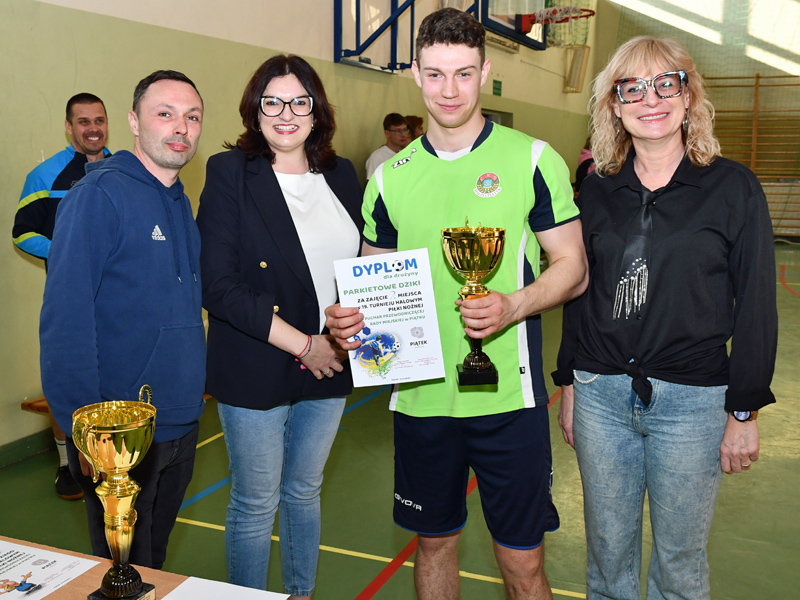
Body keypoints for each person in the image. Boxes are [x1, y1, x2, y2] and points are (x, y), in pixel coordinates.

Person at [326, 8, 588, 600]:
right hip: (421, 400)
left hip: (510, 401)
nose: (450, 90)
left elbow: (572, 266)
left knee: (522, 562)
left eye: (464, 74)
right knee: (434, 545)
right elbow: (372, 282)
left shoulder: (532, 159)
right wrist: (350, 320)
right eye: (436, 74)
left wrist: (514, 305)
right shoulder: (389, 178)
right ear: (416, 73)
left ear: (485, 72)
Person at [553, 36, 778, 600]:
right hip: (600, 394)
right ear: (615, 104)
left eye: (665, 84)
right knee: (607, 557)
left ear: (688, 95)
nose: (650, 99)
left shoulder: (733, 187)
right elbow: (580, 291)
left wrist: (744, 408)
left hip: (693, 402)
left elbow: (756, 304)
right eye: (632, 87)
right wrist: (569, 383)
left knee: (679, 564)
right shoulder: (596, 190)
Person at [196, 54, 363, 599]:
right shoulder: (230, 173)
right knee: (255, 501)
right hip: (257, 357)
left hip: (332, 360)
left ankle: (299, 593)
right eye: (273, 102)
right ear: (255, 109)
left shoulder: (341, 174)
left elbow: (364, 265)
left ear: (317, 112)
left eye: (299, 102)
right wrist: (304, 344)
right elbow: (218, 286)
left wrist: (349, 326)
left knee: (305, 491)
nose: (286, 114)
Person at [39, 70, 207, 570]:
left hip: (180, 423)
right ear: (134, 122)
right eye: (165, 113)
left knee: (153, 565)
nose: (181, 127)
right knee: (123, 574)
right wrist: (86, 432)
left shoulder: (180, 201)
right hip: (120, 436)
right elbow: (65, 321)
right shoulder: (97, 196)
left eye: (192, 116)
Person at [13, 93, 111, 501]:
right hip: (68, 301)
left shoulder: (124, 170)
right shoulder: (45, 176)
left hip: (116, 302)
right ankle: (67, 464)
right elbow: (22, 233)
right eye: (83, 121)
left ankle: (111, 461)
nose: (93, 128)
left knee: (113, 379)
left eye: (99, 120)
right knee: (68, 381)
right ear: (69, 127)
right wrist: (66, 253)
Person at [364, 113, 411, 179]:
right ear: (387, 133)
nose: (403, 134)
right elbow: (371, 183)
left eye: (405, 130)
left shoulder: (405, 154)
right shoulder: (377, 157)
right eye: (398, 131)